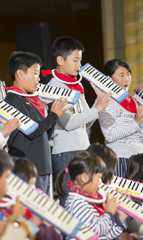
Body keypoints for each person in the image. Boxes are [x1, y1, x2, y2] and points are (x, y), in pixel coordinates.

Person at [43, 37, 112, 205]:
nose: (79, 65)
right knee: (70, 203)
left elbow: (86, 122)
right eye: (75, 60)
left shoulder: (75, 86)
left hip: (83, 150)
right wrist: (97, 109)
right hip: (66, 152)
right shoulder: (54, 87)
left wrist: (98, 100)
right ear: (60, 60)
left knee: (86, 202)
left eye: (80, 60)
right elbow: (69, 123)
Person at [5, 51, 69, 195]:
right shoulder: (13, 99)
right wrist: (53, 115)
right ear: (20, 74)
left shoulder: (32, 100)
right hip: (26, 169)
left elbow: (44, 136)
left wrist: (53, 113)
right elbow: (32, 130)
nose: (38, 79)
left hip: (41, 167)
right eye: (35, 73)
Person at [56, 151, 128, 240]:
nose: (100, 182)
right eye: (98, 177)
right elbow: (96, 231)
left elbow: (105, 235)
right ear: (84, 178)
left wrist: (120, 217)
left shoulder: (87, 201)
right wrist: (109, 213)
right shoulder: (76, 203)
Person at [99, 59, 143, 177]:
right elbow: (109, 135)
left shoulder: (134, 100)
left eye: (128, 74)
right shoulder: (104, 100)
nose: (127, 78)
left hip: (138, 158)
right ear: (109, 78)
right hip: (118, 158)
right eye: (121, 75)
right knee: (121, 195)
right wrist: (136, 123)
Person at [12, 157, 62, 240]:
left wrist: (56, 230)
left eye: (34, 184)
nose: (33, 188)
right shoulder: (14, 210)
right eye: (30, 184)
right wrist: (42, 224)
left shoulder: (34, 207)